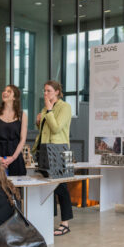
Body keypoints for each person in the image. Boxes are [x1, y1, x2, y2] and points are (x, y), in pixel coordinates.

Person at [34, 80, 73, 236]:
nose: (45, 93)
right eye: (44, 90)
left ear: (57, 92)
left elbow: (56, 128)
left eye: (49, 90)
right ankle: (48, 218)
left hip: (59, 150)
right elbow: (45, 130)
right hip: (45, 149)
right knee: (47, 187)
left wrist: (49, 111)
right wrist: (38, 122)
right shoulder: (45, 108)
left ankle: (65, 223)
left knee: (61, 187)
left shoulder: (65, 107)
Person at [0, 84, 28, 176]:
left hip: (15, 156)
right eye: (4, 91)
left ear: (14, 97)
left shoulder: (22, 115)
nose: (4, 92)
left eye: (9, 91)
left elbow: (23, 139)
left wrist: (13, 158)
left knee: (17, 184)